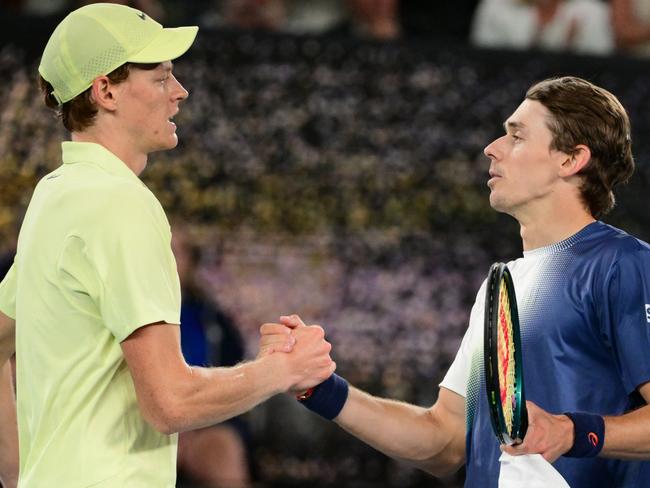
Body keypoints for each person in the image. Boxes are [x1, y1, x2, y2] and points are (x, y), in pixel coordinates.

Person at [0, 3, 335, 487]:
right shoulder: (120, 205)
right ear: (106, 91)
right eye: (160, 78)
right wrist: (281, 369)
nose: (179, 93)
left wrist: (17, 472)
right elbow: (170, 401)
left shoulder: (56, 194)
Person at [262, 76, 650, 487]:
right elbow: (443, 441)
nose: (491, 148)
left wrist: (572, 431)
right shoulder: (500, 286)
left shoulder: (625, 265)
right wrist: (320, 388)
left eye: (516, 137)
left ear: (570, 160)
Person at [171, 227, 252, 488]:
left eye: (174, 252)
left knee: (222, 453)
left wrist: (195, 426)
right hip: (139, 425)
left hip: (204, 423)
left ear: (190, 262)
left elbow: (235, 379)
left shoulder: (212, 321)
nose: (166, 261)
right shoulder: (119, 314)